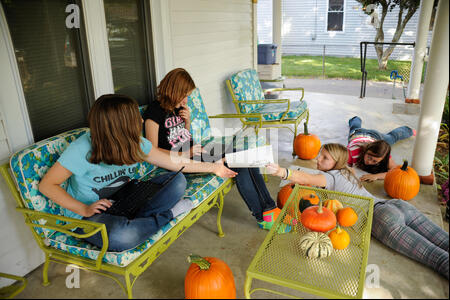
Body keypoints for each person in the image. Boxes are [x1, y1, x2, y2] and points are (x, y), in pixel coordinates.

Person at [39, 94, 237, 252]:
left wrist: (214, 167)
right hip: (91, 215)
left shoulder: (136, 142)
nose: (141, 119)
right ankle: (167, 214)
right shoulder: (82, 148)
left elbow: (174, 163)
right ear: (120, 125)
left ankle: (136, 221)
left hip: (126, 196)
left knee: (177, 182)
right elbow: (47, 185)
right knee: (121, 237)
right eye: (136, 117)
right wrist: (83, 209)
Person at [266, 143, 449, 279]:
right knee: (444, 241)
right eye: (320, 155)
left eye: (324, 158)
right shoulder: (347, 171)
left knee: (438, 259)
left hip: (381, 218)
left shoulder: (329, 178)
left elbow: (305, 177)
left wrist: (282, 171)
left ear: (336, 162)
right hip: (398, 205)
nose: (318, 160)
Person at [143, 68, 289, 232]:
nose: (186, 100)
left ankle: (269, 210)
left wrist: (188, 122)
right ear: (173, 91)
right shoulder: (154, 111)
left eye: (187, 96)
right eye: (184, 95)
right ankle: (265, 216)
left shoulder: (178, 107)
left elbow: (183, 136)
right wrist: (183, 154)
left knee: (242, 156)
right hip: (179, 161)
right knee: (239, 162)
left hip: (195, 151)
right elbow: (152, 150)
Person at [347, 116, 415, 182]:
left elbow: (394, 171)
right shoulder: (352, 151)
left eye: (375, 161)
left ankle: (409, 130)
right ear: (366, 150)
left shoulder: (383, 153)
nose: (369, 162)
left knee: (392, 137)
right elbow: (344, 166)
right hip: (357, 133)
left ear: (383, 158)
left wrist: (376, 176)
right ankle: (355, 118)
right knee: (354, 126)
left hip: (375, 136)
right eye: (369, 157)